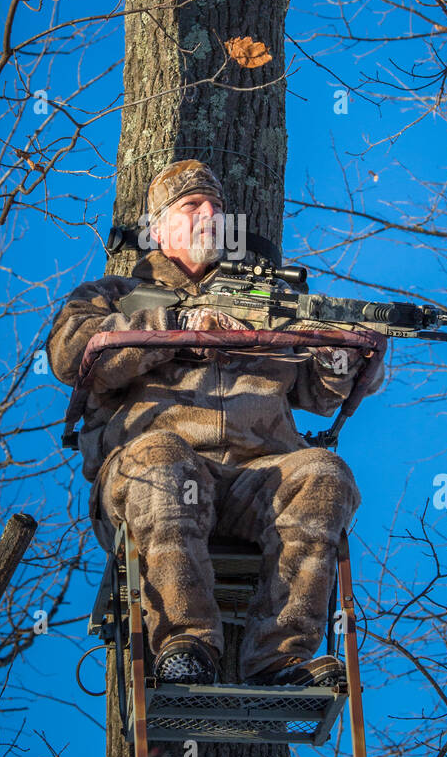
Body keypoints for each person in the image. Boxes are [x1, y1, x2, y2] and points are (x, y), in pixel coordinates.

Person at [47, 160, 385, 688]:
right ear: (158, 229)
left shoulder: (268, 302)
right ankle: (184, 647)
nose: (209, 215)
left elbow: (318, 395)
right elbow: (73, 353)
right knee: (164, 460)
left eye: (218, 208)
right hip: (154, 475)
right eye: (192, 206)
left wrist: (343, 352)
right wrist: (176, 325)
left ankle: (281, 662)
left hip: (257, 481)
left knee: (323, 473)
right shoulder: (112, 294)